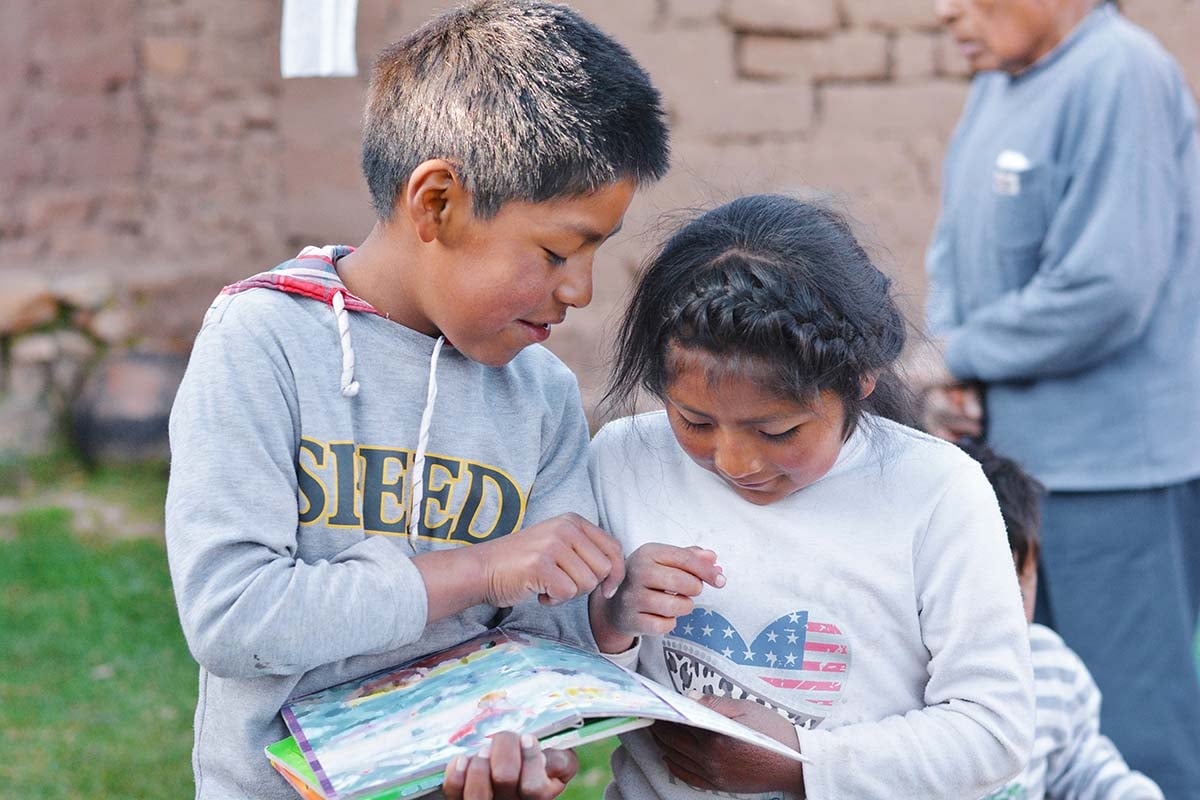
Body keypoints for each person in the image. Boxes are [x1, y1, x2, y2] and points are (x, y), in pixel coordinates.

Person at [163, 3, 670, 798]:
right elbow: (236, 618)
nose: (580, 289)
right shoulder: (263, 341)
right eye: (556, 251)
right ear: (435, 202)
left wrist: (604, 629)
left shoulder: (540, 395)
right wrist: (481, 570)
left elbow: (546, 632)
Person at [586, 194, 1035, 799]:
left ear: (862, 381)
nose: (733, 462)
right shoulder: (623, 460)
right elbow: (557, 686)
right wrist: (612, 622)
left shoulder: (937, 492)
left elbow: (994, 731)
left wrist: (804, 762)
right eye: (693, 420)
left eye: (779, 431)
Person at [918, 0, 1200, 794]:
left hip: (1111, 476)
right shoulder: (1001, 83)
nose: (946, 13)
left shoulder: (1121, 73)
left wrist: (958, 355)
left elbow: (1108, 287)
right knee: (1033, 724)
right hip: (1011, 469)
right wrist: (953, 374)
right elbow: (954, 252)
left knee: (1133, 734)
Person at [959, 439, 1164, 800]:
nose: (1006, 613)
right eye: (987, 591)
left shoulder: (1050, 667)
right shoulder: (897, 676)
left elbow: (1083, 768)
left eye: (1020, 586)